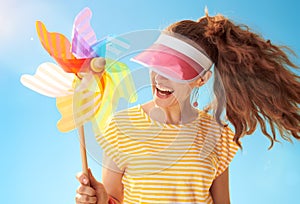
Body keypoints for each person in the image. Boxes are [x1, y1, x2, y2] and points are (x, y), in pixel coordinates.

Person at [75, 10, 300, 204]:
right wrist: (101, 199)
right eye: (157, 65)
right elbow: (114, 198)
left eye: (175, 71)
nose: (161, 79)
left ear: (202, 79)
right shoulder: (121, 127)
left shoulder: (216, 135)